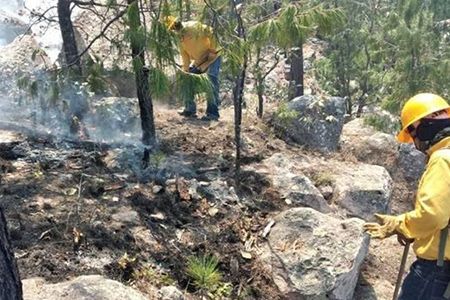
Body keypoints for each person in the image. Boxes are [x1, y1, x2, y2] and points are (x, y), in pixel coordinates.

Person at [364, 93, 450, 299]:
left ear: (423, 126)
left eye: (412, 135)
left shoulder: (442, 159)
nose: (414, 142)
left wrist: (401, 225)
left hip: (436, 270)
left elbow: (433, 215)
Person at [164, 16, 221, 121]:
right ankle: (190, 109)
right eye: (173, 29)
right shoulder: (180, 39)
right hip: (199, 62)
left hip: (212, 58)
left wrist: (214, 50)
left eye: (176, 26)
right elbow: (184, 55)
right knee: (186, 80)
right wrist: (186, 71)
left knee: (212, 82)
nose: (176, 29)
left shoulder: (194, 26)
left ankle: (213, 114)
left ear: (179, 23)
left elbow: (211, 32)